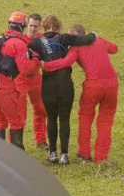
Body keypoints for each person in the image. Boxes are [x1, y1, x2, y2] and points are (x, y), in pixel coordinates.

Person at [42, 24, 118, 164]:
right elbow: (114, 48)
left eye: (70, 35)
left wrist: (46, 66)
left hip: (93, 85)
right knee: (106, 120)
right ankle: (101, 157)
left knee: (85, 117)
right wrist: (99, 37)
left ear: (75, 34)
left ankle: (84, 152)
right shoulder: (99, 40)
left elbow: (66, 62)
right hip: (113, 83)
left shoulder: (76, 47)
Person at [27, 15, 96, 165]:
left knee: (51, 118)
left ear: (43, 27)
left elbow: (27, 51)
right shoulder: (64, 38)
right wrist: (94, 34)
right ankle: (64, 154)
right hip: (65, 83)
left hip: (48, 85)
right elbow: (86, 40)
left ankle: (52, 153)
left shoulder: (37, 42)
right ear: (58, 26)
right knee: (64, 119)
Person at [0, 12, 39, 149]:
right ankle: (17, 158)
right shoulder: (17, 43)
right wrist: (35, 59)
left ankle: (0, 157)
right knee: (17, 121)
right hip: (2, 89)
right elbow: (27, 70)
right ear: (23, 27)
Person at [17, 13, 48, 150]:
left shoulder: (42, 39)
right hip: (20, 79)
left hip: (36, 78)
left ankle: (41, 140)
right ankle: (17, 144)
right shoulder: (19, 39)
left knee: (41, 109)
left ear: (39, 26)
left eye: (36, 26)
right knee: (20, 112)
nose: (33, 29)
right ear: (26, 25)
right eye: (30, 25)